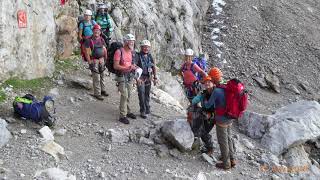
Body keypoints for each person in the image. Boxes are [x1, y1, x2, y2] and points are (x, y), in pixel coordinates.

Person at [202, 67, 236, 170]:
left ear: (213, 79)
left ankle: (226, 164)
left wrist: (203, 98)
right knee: (229, 138)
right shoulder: (227, 86)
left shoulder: (216, 91)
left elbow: (208, 105)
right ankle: (232, 159)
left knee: (223, 141)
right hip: (230, 117)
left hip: (221, 119)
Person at [113, 34, 137, 124]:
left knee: (129, 94)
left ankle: (128, 111)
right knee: (125, 95)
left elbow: (131, 64)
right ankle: (122, 116)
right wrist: (127, 68)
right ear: (125, 42)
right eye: (130, 41)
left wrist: (134, 68)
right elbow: (115, 66)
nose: (132, 43)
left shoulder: (132, 52)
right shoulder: (119, 52)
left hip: (129, 76)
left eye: (133, 41)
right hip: (121, 76)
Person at [191, 76, 216, 156]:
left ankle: (210, 148)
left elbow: (219, 107)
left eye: (209, 81)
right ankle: (207, 146)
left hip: (213, 116)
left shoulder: (216, 93)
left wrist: (211, 114)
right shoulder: (204, 93)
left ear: (213, 83)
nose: (207, 83)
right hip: (205, 114)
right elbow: (194, 100)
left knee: (203, 132)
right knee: (202, 131)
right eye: (206, 82)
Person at [83, 24, 109, 100]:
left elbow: (104, 50)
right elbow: (87, 52)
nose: (96, 32)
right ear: (93, 31)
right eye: (95, 30)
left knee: (102, 76)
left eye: (98, 31)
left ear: (100, 32)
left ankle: (103, 90)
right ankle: (97, 93)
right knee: (96, 77)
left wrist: (105, 59)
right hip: (94, 60)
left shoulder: (102, 39)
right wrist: (90, 62)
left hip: (101, 60)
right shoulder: (89, 40)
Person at [135, 40, 157, 119]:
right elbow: (134, 66)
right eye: (144, 47)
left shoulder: (150, 56)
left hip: (148, 77)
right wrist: (137, 78)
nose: (146, 48)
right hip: (140, 78)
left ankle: (147, 108)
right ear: (141, 47)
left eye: (147, 47)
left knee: (147, 94)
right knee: (141, 93)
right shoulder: (137, 56)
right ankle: (142, 111)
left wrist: (155, 77)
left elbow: (153, 67)